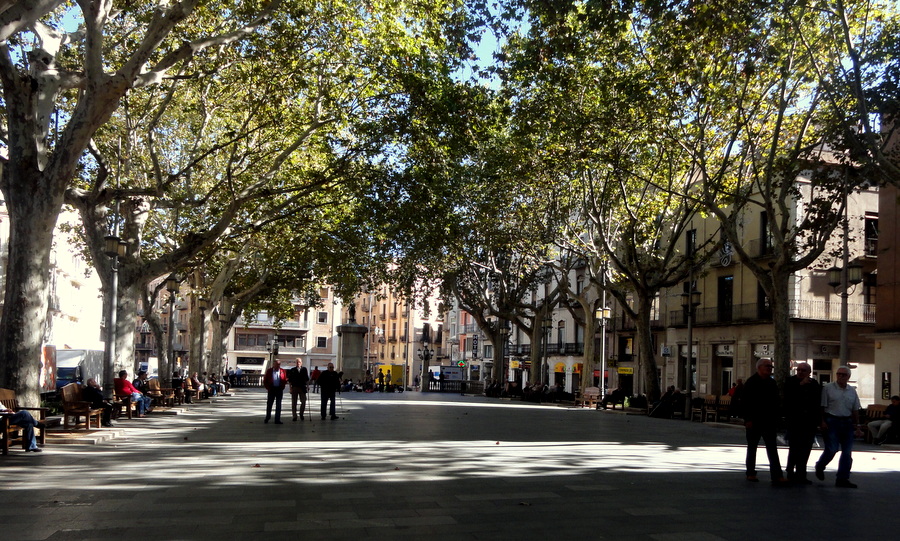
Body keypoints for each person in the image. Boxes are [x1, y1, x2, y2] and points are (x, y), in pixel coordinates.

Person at [741, 358, 788, 485]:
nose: (769, 368)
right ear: (759, 367)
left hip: (769, 421)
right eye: (767, 366)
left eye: (770, 367)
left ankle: (777, 475)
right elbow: (745, 403)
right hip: (754, 421)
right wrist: (748, 419)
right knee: (752, 448)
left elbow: (776, 402)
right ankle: (750, 473)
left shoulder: (772, 383)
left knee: (772, 448)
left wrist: (778, 418)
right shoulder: (751, 382)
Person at [815, 366, 863, 488]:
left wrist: (858, 426)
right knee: (832, 449)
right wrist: (822, 421)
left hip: (847, 422)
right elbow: (822, 406)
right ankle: (820, 465)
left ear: (848, 377)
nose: (840, 376)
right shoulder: (828, 388)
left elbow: (855, 409)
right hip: (832, 421)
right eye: (839, 374)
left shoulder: (852, 390)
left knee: (847, 453)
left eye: (843, 374)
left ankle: (842, 478)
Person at [783, 362, 821, 483]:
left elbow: (817, 402)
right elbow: (787, 398)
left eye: (803, 370)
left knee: (806, 449)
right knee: (794, 448)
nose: (800, 372)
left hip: (809, 422)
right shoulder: (790, 381)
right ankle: (790, 471)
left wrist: (819, 420)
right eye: (798, 370)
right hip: (795, 421)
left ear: (809, 373)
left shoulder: (814, 384)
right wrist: (800, 385)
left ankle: (801, 474)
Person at [263, 359, 287, 424]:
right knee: (269, 404)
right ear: (273, 364)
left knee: (278, 405)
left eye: (279, 364)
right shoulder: (269, 371)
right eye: (276, 364)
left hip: (279, 390)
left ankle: (277, 419)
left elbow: (284, 380)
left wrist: (282, 387)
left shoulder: (282, 371)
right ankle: (268, 417)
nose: (278, 365)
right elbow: (265, 381)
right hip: (271, 389)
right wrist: (268, 388)